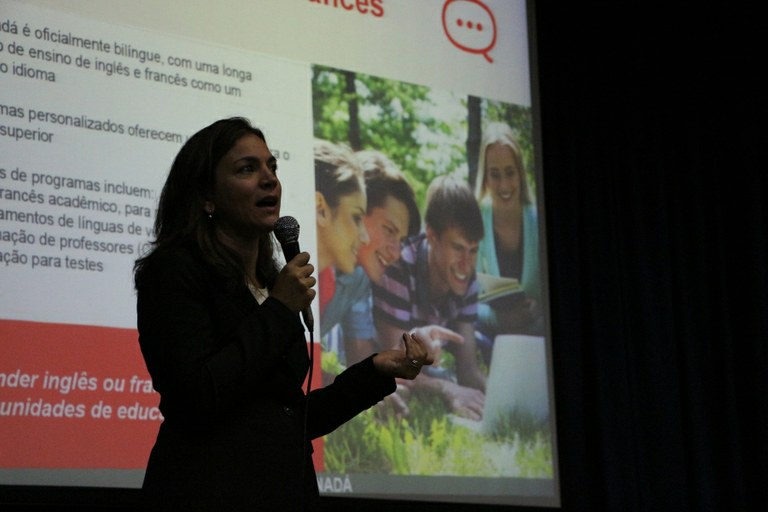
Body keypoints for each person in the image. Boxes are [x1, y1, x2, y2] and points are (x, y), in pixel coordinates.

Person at [134, 118, 432, 511]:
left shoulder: (269, 282)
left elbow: (287, 420)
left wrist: (375, 371)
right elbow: (197, 397)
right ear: (207, 196)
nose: (269, 179)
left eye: (271, 167)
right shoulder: (173, 272)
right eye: (247, 169)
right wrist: (278, 308)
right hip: (207, 497)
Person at [373, 173, 487, 420]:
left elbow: (468, 370)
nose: (466, 264)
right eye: (458, 248)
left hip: (420, 370)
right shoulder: (399, 267)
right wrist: (448, 389)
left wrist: (497, 398)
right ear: (432, 236)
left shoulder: (467, 278)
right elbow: (394, 364)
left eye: (473, 250)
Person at [474, 122, 542, 345]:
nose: (504, 185)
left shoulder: (537, 220)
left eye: (510, 172)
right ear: (485, 177)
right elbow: (463, 301)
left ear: (520, 173)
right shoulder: (475, 221)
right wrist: (501, 319)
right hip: (491, 338)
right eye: (495, 174)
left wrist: (538, 308)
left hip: (538, 338)